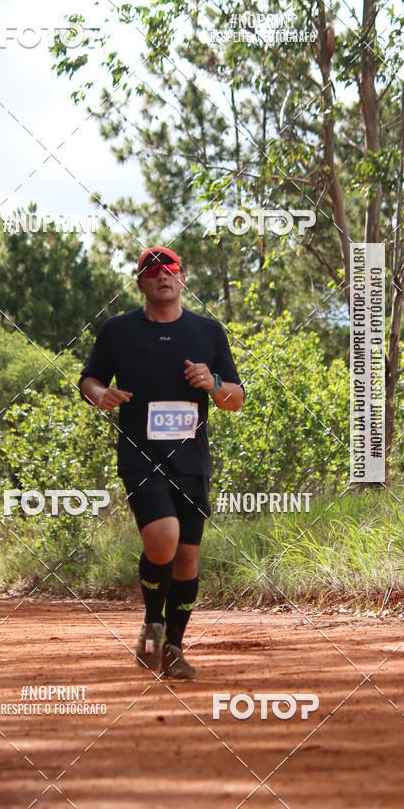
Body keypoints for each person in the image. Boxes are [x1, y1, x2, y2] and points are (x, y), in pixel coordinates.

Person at [78, 246, 244, 679]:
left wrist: (213, 382)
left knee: (187, 559)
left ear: (182, 277)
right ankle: (152, 620)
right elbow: (89, 378)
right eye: (151, 270)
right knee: (163, 537)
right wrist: (101, 395)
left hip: (191, 460)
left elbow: (235, 400)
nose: (161, 274)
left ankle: (172, 646)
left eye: (169, 267)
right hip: (140, 453)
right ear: (140, 283)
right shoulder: (118, 332)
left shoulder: (208, 332)